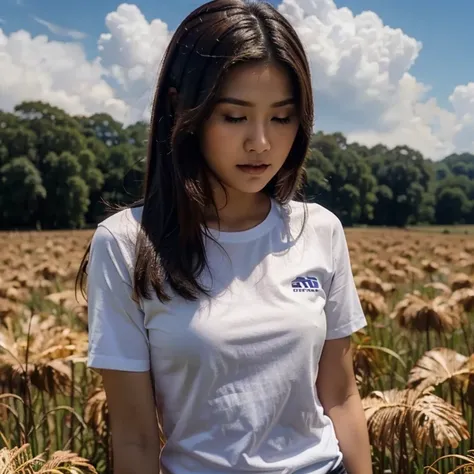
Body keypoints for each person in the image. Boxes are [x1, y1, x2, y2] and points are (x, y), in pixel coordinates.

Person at [78, 0, 373, 473]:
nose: (261, 142)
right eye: (234, 117)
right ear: (182, 109)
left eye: (282, 117)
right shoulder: (126, 244)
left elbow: (341, 397)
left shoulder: (320, 229)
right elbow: (134, 438)